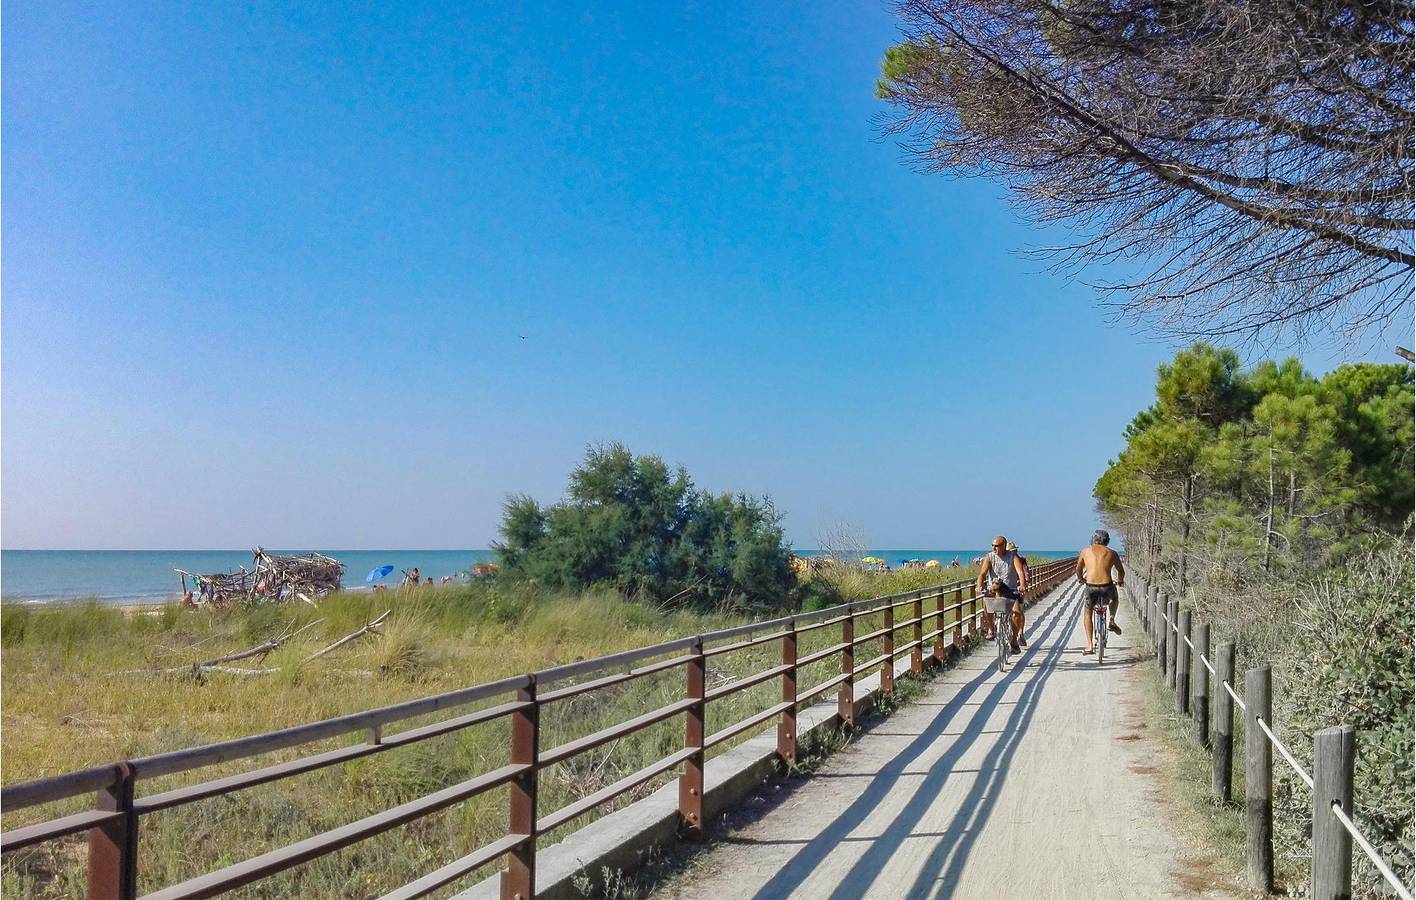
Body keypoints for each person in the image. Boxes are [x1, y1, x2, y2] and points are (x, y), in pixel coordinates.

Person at [1076, 529, 1125, 654]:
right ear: (1107, 541)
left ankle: (1090, 646)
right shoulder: (1112, 553)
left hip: (1091, 586)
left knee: (1088, 612)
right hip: (1107, 586)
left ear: (1093, 539)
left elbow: (1078, 569)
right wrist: (1120, 581)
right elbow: (1121, 571)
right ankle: (1112, 619)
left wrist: (1081, 579)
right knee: (1114, 599)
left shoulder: (1085, 551)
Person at [975, 536, 1028, 653]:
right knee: (987, 605)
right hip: (994, 589)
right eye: (992, 545)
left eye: (997, 546)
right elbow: (982, 574)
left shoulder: (1012, 557)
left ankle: (1014, 639)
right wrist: (979, 585)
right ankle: (991, 629)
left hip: (1010, 589)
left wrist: (1022, 584)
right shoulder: (989, 557)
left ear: (1004, 546)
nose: (994, 548)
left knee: (1017, 613)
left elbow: (1020, 572)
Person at [1006, 543, 1030, 648]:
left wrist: (1023, 584)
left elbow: (1025, 575)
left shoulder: (1021, 561)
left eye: (1014, 551)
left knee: (1019, 611)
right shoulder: (1003, 560)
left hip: (1017, 589)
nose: (1013, 553)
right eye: (1011, 551)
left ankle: (1020, 632)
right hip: (1005, 589)